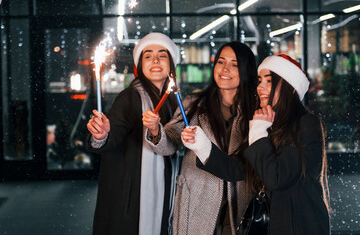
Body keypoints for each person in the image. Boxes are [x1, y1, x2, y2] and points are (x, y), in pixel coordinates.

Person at [181, 54, 331, 235]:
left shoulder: (305, 124)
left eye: (269, 81)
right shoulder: (267, 124)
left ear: (290, 88)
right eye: (260, 81)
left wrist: (259, 132)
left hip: (300, 227)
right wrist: (201, 144)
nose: (260, 87)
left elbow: (276, 178)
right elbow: (238, 168)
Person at [142, 41, 258, 235]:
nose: (225, 69)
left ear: (247, 70)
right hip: (197, 202)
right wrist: (155, 130)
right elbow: (169, 143)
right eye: (221, 62)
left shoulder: (256, 111)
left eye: (234, 64)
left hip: (241, 204)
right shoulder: (194, 104)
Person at [86, 32, 179, 235]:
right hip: (131, 199)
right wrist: (101, 136)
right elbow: (114, 133)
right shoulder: (130, 97)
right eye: (148, 56)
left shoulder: (173, 102)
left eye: (162, 55)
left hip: (160, 194)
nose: (155, 60)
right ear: (139, 65)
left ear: (171, 64)